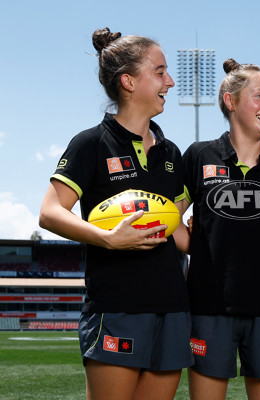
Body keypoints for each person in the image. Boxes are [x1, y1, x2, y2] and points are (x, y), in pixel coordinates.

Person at [39, 27, 192, 400]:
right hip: (116, 306)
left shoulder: (171, 153)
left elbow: (178, 226)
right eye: (159, 72)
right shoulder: (90, 144)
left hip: (172, 307)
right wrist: (108, 237)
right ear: (128, 81)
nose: (169, 81)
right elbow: (49, 212)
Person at [180, 58, 260, 400]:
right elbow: (167, 218)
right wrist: (198, 245)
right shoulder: (198, 155)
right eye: (259, 96)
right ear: (230, 101)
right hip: (209, 306)